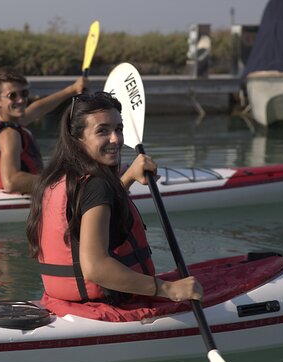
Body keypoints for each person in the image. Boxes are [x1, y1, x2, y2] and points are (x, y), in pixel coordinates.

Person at [25, 92, 203, 322]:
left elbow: (91, 206)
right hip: (105, 307)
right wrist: (169, 290)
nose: (115, 139)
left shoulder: (58, 178)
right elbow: (95, 268)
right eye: (103, 131)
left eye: (118, 129)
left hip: (63, 303)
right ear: (77, 137)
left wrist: (127, 178)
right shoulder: (96, 186)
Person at [0, 67, 88, 194]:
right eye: (13, 96)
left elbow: (38, 109)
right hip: (12, 203)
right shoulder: (9, 134)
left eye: (24, 93)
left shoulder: (0, 122)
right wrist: (59, 182)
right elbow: (12, 182)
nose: (21, 100)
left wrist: (71, 89)